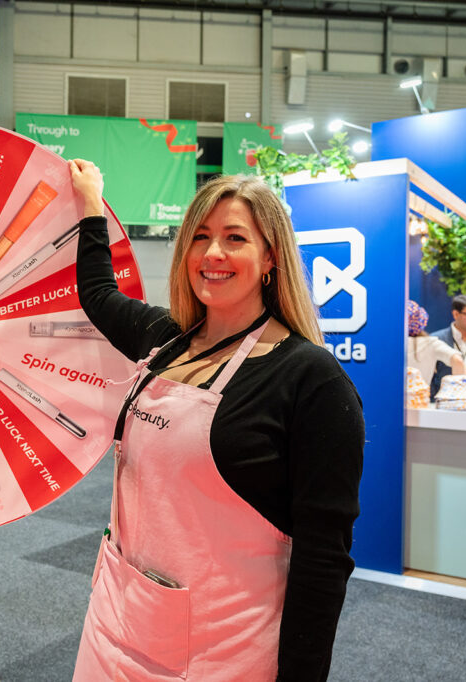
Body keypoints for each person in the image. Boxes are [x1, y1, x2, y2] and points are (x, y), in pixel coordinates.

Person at [68, 163, 364, 681]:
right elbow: (98, 294)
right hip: (114, 622)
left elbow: (323, 557)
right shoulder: (165, 340)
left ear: (271, 256)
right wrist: (92, 204)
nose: (212, 254)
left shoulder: (310, 380)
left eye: (235, 238)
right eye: (200, 237)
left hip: (222, 652)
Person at [406, 299, 463, 387]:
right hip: (420, 395)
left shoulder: (389, 345)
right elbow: (457, 360)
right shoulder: (430, 343)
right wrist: (458, 390)